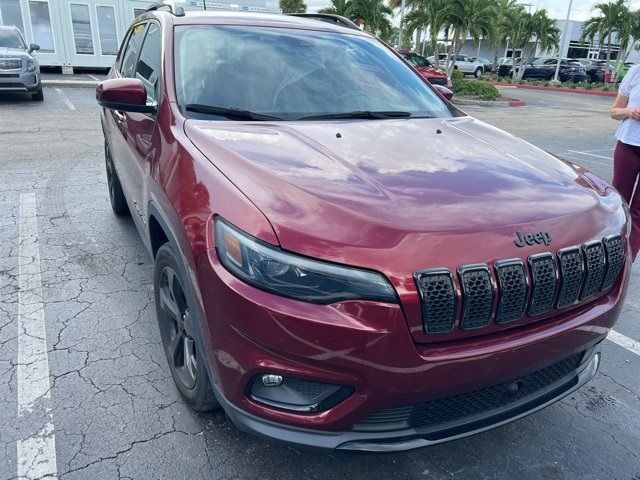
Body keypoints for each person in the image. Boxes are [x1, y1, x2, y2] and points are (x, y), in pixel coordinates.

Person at [610, 64, 640, 262]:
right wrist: (630, 112)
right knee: (617, 203)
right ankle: (610, 252)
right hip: (628, 145)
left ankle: (625, 259)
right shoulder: (636, 71)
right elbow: (614, 111)